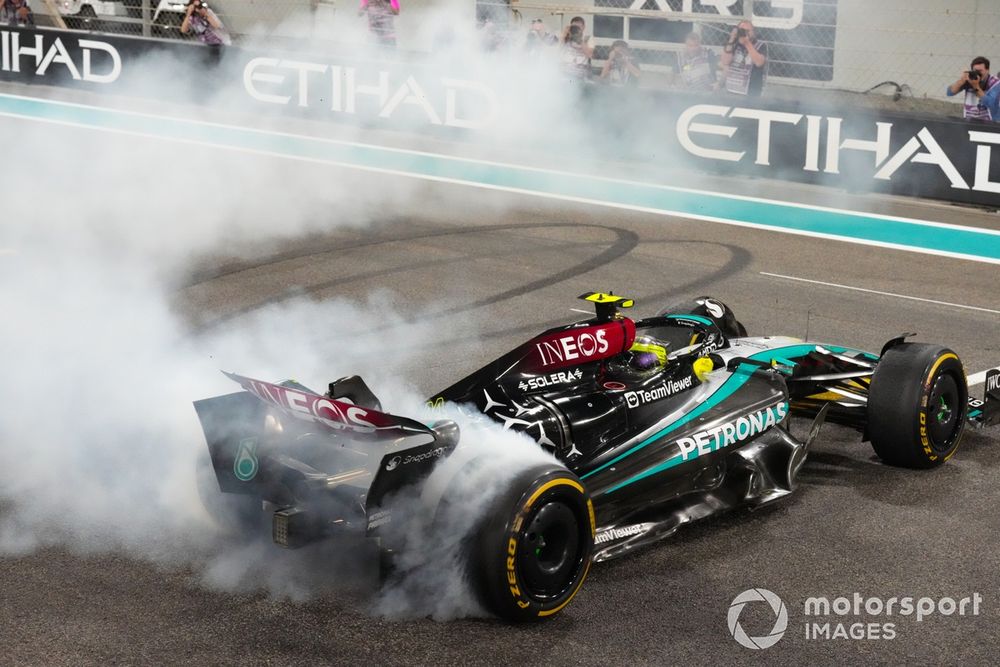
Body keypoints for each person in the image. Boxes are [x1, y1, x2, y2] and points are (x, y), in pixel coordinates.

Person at [720, 20, 767, 97]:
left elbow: (759, 62)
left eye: (748, 31)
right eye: (742, 30)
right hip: (732, 91)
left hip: (751, 93)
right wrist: (732, 38)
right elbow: (725, 61)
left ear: (753, 32)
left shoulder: (761, 45)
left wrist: (747, 43)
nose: (745, 33)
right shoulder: (733, 44)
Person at [947, 57, 998, 121]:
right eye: (975, 71)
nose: (977, 73)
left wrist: (976, 87)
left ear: (987, 70)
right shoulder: (969, 78)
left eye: (980, 71)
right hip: (970, 120)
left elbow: (991, 104)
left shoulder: (995, 83)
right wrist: (961, 81)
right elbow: (949, 93)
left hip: (990, 122)